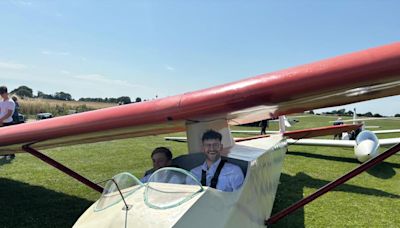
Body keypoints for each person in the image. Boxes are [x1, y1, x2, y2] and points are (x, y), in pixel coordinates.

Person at [0, 86, 16, 159]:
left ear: (6, 93)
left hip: (8, 123)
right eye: (0, 93)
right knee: (2, 139)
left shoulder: (11, 102)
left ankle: (11, 154)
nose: (1, 95)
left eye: (2, 93)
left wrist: (1, 119)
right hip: (2, 122)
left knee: (9, 140)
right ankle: (5, 153)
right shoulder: (1, 101)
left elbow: (9, 114)